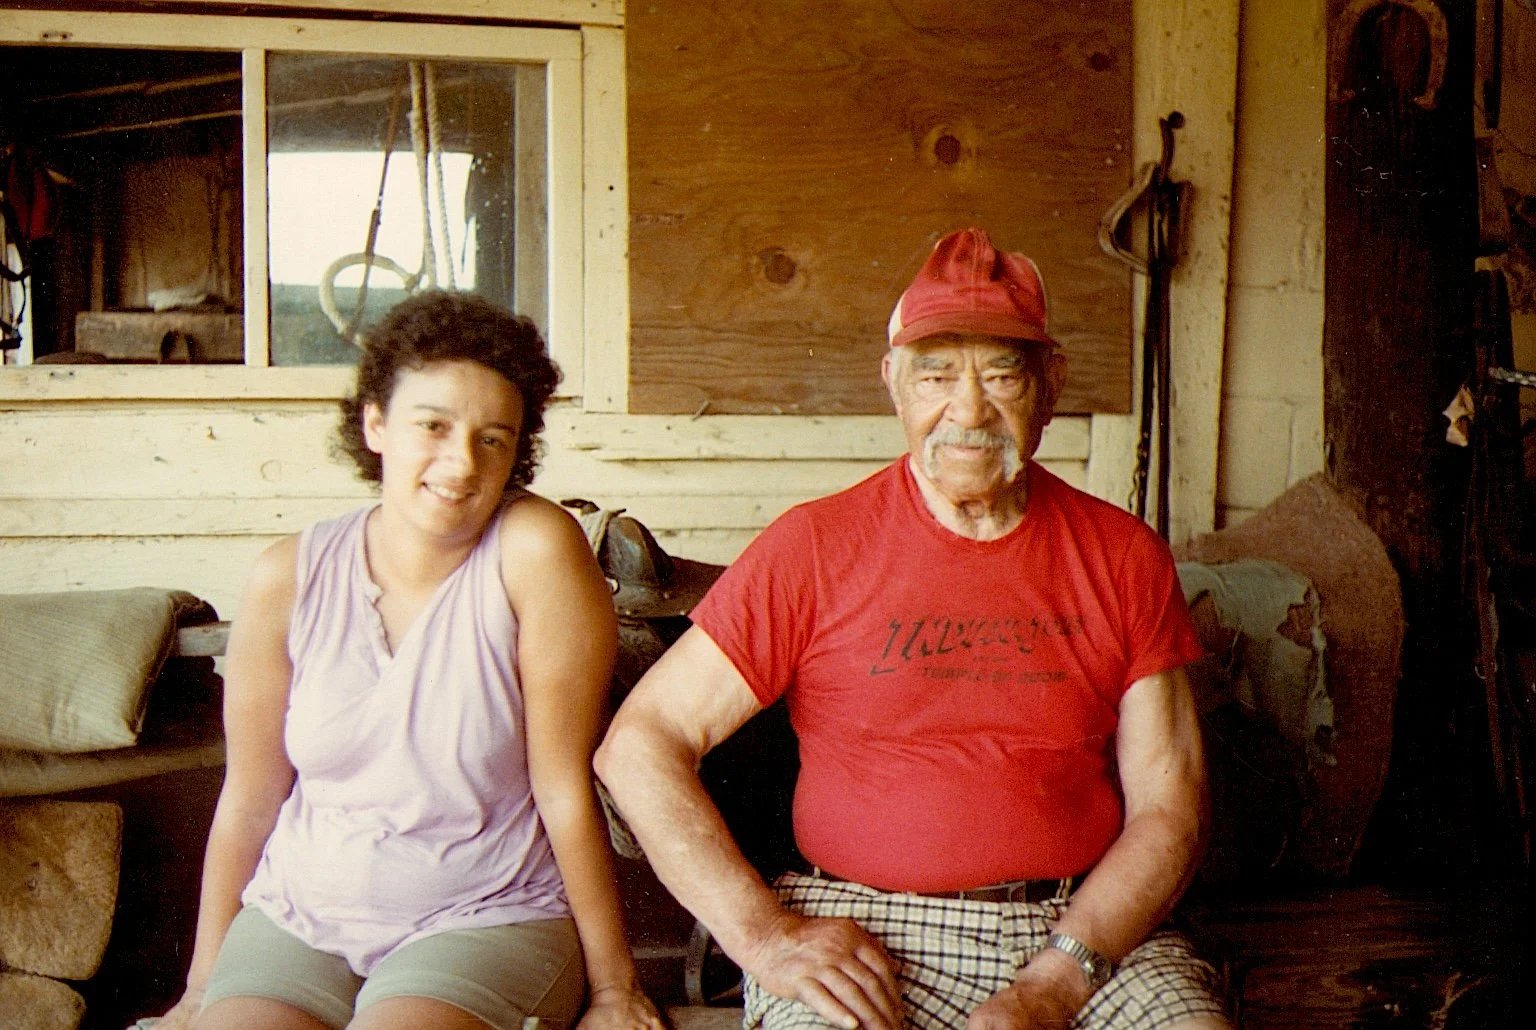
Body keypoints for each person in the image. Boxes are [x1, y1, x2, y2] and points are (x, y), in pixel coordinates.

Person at [594, 229, 1229, 1030]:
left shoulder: (1122, 556)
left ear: (1051, 382)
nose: (968, 411)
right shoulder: (814, 548)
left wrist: (1055, 984)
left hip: (1085, 935)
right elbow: (639, 744)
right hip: (862, 930)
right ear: (893, 382)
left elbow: (1171, 806)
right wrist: (764, 939)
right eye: (936, 375)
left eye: (1002, 374)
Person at [158, 291, 665, 1030]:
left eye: (493, 438)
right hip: (299, 915)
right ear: (375, 425)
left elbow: (563, 787)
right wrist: (202, 991)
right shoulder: (288, 575)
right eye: (433, 426)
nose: (461, 464)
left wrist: (615, 988)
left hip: (484, 915)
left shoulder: (534, 551)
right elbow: (250, 797)